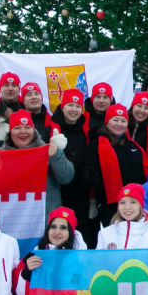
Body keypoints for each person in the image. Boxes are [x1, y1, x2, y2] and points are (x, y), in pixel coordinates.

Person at [87, 105, 148, 227]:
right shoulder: (96, 145)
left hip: (134, 202)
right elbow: (90, 174)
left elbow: (147, 170)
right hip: (108, 204)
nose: (119, 124)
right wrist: (94, 198)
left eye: (123, 121)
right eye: (115, 120)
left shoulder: (133, 146)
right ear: (107, 123)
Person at [4, 109, 74, 214]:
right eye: (17, 128)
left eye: (27, 127)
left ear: (33, 130)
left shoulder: (47, 151)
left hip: (45, 217)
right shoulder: (0, 157)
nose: (23, 131)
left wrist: (57, 155)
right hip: (14, 216)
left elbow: (66, 178)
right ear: (10, 132)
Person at [50, 88, 93, 243]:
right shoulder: (52, 127)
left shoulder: (85, 128)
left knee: (80, 232)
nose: (74, 110)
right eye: (70, 105)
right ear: (62, 107)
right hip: (58, 190)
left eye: (77, 106)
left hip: (80, 191)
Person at [97, 184, 148, 249]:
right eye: (122, 202)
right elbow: (99, 256)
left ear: (140, 206)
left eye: (133, 202)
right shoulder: (105, 234)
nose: (127, 207)